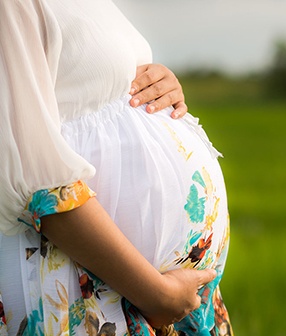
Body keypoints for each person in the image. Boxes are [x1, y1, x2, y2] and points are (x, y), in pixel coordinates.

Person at [0, 0, 232, 335]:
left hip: (154, 294)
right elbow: (35, 180)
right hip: (97, 289)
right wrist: (156, 293)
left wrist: (159, 87)